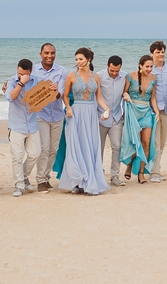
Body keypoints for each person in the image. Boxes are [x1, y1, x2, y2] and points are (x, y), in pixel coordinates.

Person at [59, 48, 112, 195]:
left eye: (80, 59)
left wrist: (106, 109)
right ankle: (77, 182)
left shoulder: (95, 77)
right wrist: (68, 107)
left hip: (91, 113)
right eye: (76, 59)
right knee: (76, 146)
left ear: (89, 59)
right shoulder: (71, 76)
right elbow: (64, 96)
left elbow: (99, 97)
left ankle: (90, 181)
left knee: (90, 145)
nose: (78, 62)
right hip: (75, 113)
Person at [33, 43, 67, 192]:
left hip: (58, 115)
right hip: (40, 115)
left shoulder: (62, 71)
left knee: (54, 149)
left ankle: (46, 177)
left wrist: (55, 91)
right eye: (46, 53)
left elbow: (61, 94)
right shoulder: (33, 70)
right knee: (44, 149)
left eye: (52, 53)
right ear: (40, 54)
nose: (49, 56)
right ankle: (40, 180)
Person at [121, 55, 160, 183]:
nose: (149, 69)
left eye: (151, 66)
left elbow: (152, 98)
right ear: (140, 66)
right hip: (133, 111)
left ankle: (141, 173)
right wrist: (126, 96)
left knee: (146, 143)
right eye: (147, 66)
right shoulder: (130, 76)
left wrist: (157, 111)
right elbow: (124, 92)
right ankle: (130, 165)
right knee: (135, 142)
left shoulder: (154, 78)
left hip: (146, 112)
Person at [5, 59, 40, 197]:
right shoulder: (12, 82)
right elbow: (10, 97)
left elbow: (45, 94)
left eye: (23, 74)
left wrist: (53, 88)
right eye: (19, 73)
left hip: (32, 124)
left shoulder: (37, 80)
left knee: (35, 153)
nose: (20, 75)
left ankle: (24, 177)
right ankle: (19, 185)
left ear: (30, 72)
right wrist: (21, 83)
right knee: (17, 157)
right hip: (16, 125)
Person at [148, 41, 167, 183]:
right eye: (158, 52)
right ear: (152, 53)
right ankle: (153, 172)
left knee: (163, 141)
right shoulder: (149, 69)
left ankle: (157, 169)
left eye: (162, 51)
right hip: (153, 111)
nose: (161, 54)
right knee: (155, 142)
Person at [98, 56, 128, 186]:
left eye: (117, 71)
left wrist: (126, 95)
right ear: (107, 66)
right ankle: (99, 174)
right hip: (100, 117)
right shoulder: (99, 76)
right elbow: (95, 95)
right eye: (112, 70)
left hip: (116, 117)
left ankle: (115, 176)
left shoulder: (125, 76)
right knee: (99, 148)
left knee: (117, 146)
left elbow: (126, 92)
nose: (115, 73)